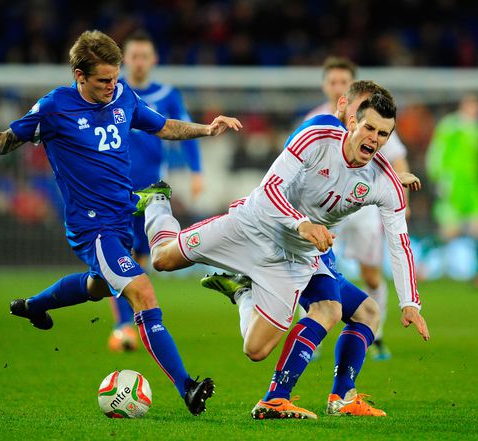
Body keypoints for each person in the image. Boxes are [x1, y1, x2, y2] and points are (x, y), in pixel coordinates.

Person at [0, 29, 242, 416]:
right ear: (79, 76)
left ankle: (34, 306)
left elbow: (162, 126)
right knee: (143, 293)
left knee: (98, 286)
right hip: (92, 227)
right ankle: (187, 387)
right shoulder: (53, 108)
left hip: (123, 216)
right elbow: (4, 140)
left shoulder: (123, 96)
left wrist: (206, 129)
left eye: (115, 78)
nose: (111, 87)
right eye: (103, 81)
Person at [135, 89, 430, 420]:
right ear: (351, 122)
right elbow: (271, 188)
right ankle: (157, 201)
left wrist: (410, 303)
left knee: (256, 350)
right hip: (252, 226)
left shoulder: (384, 181)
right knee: (162, 258)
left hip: (294, 259)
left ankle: (246, 297)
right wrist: (303, 224)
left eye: (383, 134)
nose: (375, 139)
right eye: (370, 129)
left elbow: (399, 241)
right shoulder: (317, 135)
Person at [307, 57, 413, 361]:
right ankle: (315, 335)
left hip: (362, 205)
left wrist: (401, 201)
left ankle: (374, 336)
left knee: (371, 275)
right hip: (326, 207)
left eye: (344, 81)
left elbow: (397, 159)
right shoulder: (315, 119)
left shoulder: (370, 120)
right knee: (314, 269)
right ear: (325, 85)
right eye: (333, 81)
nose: (337, 86)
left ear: (351, 86)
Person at [107, 30, 205, 353]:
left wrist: (197, 171)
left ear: (153, 60)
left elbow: (182, 126)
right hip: (115, 186)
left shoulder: (167, 94)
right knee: (118, 255)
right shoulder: (111, 91)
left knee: (143, 258)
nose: (138, 62)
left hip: (151, 190)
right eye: (133, 56)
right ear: (125, 60)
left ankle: (133, 320)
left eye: (144, 56)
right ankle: (123, 327)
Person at [425, 94, 478, 285]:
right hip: (452, 185)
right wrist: (437, 178)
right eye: (473, 105)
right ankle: (419, 264)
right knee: (449, 233)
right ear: (464, 105)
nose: (476, 110)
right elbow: (436, 152)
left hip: (473, 187)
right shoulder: (449, 126)